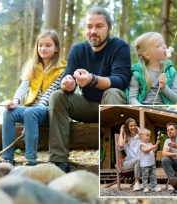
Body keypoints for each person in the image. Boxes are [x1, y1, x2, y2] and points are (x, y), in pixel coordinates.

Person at [48, 6, 132, 173]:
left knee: (113, 91)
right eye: (89, 26)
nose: (93, 31)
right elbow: (67, 77)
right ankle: (59, 161)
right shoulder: (78, 49)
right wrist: (67, 84)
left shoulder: (119, 47)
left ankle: (114, 161)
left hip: (111, 104)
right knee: (58, 96)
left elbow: (121, 80)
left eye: (99, 26)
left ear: (109, 28)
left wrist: (92, 79)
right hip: (86, 105)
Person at [1, 30, 66, 166]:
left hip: (49, 111)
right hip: (32, 110)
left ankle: (30, 159)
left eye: (48, 45)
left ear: (56, 48)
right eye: (40, 45)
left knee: (30, 112)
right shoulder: (33, 67)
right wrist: (15, 101)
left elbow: (49, 94)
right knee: (9, 112)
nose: (43, 48)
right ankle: (7, 157)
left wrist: (29, 117)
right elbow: (24, 86)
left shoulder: (62, 69)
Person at [127, 32, 177, 105]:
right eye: (159, 45)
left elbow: (176, 99)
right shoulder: (138, 73)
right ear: (147, 54)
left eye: (163, 43)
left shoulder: (171, 71)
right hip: (144, 108)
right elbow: (132, 98)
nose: (165, 46)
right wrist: (142, 108)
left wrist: (164, 88)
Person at [118, 118, 141, 191]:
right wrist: (121, 131)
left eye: (135, 125)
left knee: (140, 160)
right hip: (127, 163)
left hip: (139, 162)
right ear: (127, 127)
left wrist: (139, 130)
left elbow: (145, 141)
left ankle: (153, 185)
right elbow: (120, 144)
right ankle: (137, 183)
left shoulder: (138, 137)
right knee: (138, 160)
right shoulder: (125, 137)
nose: (133, 127)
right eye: (131, 126)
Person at [138, 128, 161, 193]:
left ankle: (154, 187)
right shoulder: (141, 145)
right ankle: (145, 187)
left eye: (149, 136)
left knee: (153, 176)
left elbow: (154, 150)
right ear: (141, 136)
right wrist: (153, 147)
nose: (148, 137)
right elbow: (145, 151)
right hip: (145, 164)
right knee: (145, 176)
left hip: (152, 163)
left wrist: (156, 145)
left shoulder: (150, 144)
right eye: (147, 135)